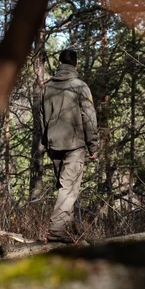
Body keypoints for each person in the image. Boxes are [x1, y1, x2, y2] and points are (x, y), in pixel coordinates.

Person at [41, 47, 98, 243]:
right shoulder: (80, 86)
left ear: (59, 64)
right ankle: (57, 231)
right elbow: (89, 118)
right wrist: (93, 145)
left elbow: (42, 118)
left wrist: (46, 142)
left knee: (65, 187)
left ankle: (69, 231)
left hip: (53, 144)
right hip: (75, 145)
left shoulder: (48, 87)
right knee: (68, 189)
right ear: (76, 64)